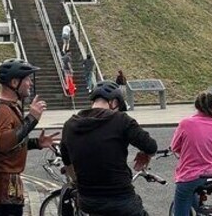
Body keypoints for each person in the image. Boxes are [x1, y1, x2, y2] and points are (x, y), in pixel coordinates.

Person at [0, 59, 59, 216]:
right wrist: (32, 119)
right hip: (3, 190)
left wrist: (36, 143)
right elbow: (4, 143)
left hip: (7, 187)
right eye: (27, 79)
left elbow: (11, 144)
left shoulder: (8, 106)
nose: (30, 83)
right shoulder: (3, 110)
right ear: (14, 82)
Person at [60, 80, 158, 216]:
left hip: (88, 201)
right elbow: (151, 146)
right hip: (120, 199)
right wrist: (146, 153)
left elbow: (67, 162)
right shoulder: (121, 120)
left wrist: (78, 183)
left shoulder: (69, 125)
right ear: (114, 102)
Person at [170, 91, 212, 216]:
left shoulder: (186, 123)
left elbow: (175, 146)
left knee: (182, 203)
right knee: (196, 199)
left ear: (196, 106)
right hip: (211, 173)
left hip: (189, 175)